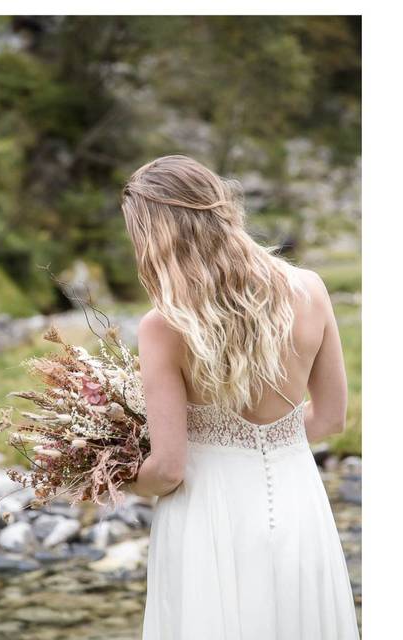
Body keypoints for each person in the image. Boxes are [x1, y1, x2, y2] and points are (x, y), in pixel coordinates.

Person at [120, 156, 358, 638]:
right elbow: (332, 418)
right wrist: (274, 442)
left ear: (156, 234)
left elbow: (168, 469)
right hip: (297, 499)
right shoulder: (310, 288)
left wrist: (109, 479)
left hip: (208, 514)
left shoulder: (164, 325)